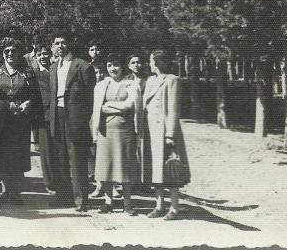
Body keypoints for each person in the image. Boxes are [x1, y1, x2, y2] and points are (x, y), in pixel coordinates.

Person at [0, 37, 40, 206]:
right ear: (2, 53)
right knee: (2, 156)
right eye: (6, 51)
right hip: (1, 120)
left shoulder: (27, 72)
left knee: (18, 156)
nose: (10, 54)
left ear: (19, 53)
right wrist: (4, 105)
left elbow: (35, 94)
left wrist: (28, 103)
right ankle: (6, 190)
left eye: (13, 51)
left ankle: (16, 192)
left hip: (20, 120)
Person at [47, 33, 96, 211]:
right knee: (60, 158)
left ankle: (81, 199)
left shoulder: (82, 66)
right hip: (57, 115)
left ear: (69, 45)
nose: (60, 46)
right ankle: (64, 197)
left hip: (75, 118)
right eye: (57, 43)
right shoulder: (53, 67)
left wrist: (82, 119)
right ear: (53, 47)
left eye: (63, 42)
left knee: (77, 158)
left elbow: (90, 98)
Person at [142, 50, 191, 220]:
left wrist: (170, 134)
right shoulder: (151, 80)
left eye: (151, 61)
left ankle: (174, 207)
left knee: (171, 169)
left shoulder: (172, 80)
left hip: (165, 132)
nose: (150, 64)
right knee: (156, 170)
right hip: (150, 132)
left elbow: (174, 109)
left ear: (158, 62)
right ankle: (159, 206)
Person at [90, 53, 142, 215]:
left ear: (122, 66)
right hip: (105, 131)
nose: (113, 68)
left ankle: (127, 203)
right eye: (109, 65)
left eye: (116, 65)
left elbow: (130, 105)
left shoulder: (131, 84)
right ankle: (108, 202)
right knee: (106, 167)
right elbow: (98, 109)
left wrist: (109, 105)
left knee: (125, 167)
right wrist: (116, 107)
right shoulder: (101, 85)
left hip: (125, 131)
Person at [31, 41, 56, 193]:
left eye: (45, 53)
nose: (42, 57)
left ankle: (61, 179)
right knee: (46, 151)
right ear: (35, 57)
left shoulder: (56, 69)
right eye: (39, 55)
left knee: (58, 149)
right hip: (42, 117)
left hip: (57, 115)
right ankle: (49, 182)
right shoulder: (34, 74)